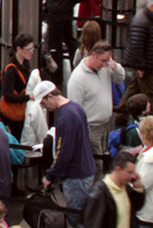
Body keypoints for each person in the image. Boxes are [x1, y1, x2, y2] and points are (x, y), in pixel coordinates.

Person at [37, 81, 98, 218]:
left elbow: (64, 151)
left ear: (50, 96)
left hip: (76, 176)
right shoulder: (76, 107)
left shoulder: (64, 118)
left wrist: (50, 175)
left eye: (44, 103)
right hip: (86, 170)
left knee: (75, 218)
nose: (45, 107)